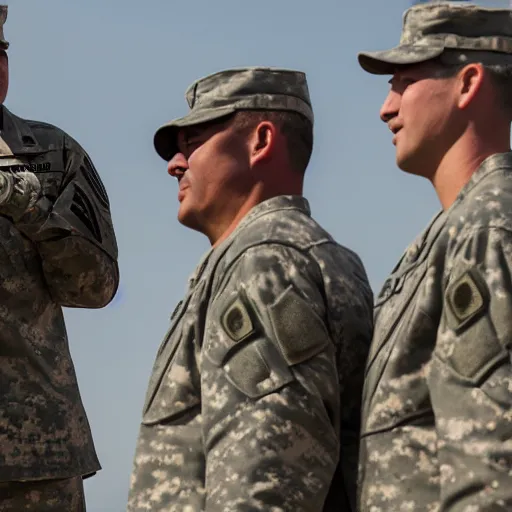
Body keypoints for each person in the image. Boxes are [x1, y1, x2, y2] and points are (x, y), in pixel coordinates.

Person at [127, 67, 373, 511]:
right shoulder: (288, 255)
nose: (175, 164)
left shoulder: (265, 263)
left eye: (194, 142)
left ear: (261, 141)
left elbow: (266, 479)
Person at [357, 2, 512, 511]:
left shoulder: (488, 225)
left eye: (404, 80)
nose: (387, 107)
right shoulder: (451, 233)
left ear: (468, 84)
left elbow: (491, 462)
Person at [0, 5, 119, 511]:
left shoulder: (50, 154)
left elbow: (95, 288)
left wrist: (26, 204)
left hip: (34, 459)